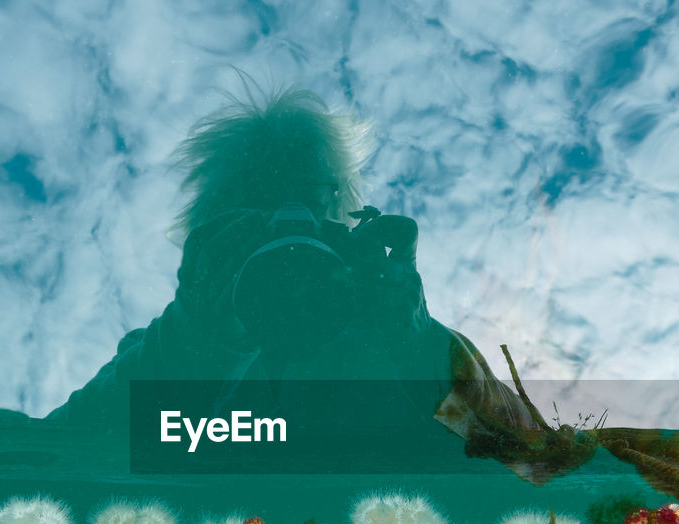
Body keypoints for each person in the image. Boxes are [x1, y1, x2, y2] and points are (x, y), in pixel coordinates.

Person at [45, 86, 550, 476]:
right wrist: (194, 339)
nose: (287, 224)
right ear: (216, 232)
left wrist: (416, 342)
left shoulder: (393, 337)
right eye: (260, 205)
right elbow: (58, 451)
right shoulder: (173, 346)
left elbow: (535, 458)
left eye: (306, 202)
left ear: (343, 216)